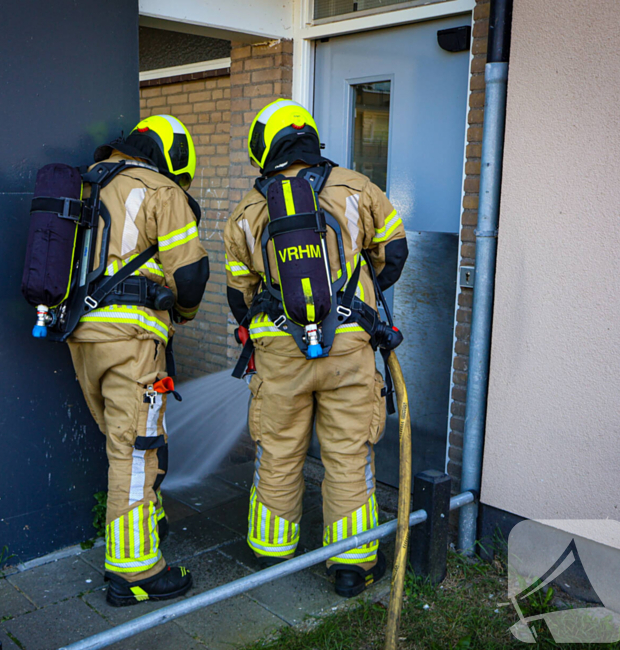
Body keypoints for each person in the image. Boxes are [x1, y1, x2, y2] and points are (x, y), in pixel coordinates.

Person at [224, 99, 409, 597]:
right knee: (348, 452)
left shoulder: (247, 211)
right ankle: (351, 565)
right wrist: (356, 306)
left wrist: (272, 328)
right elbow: (393, 256)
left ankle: (270, 552)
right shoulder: (356, 189)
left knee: (279, 448)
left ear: (263, 148)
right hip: (348, 349)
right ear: (309, 138)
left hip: (279, 351)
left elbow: (237, 294)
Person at [69, 114, 209, 606]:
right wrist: (184, 314)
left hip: (81, 337)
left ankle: (146, 521)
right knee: (134, 452)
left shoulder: (89, 180)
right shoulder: (159, 190)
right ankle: (135, 572)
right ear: (172, 158)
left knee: (123, 441)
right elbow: (190, 275)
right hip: (131, 340)